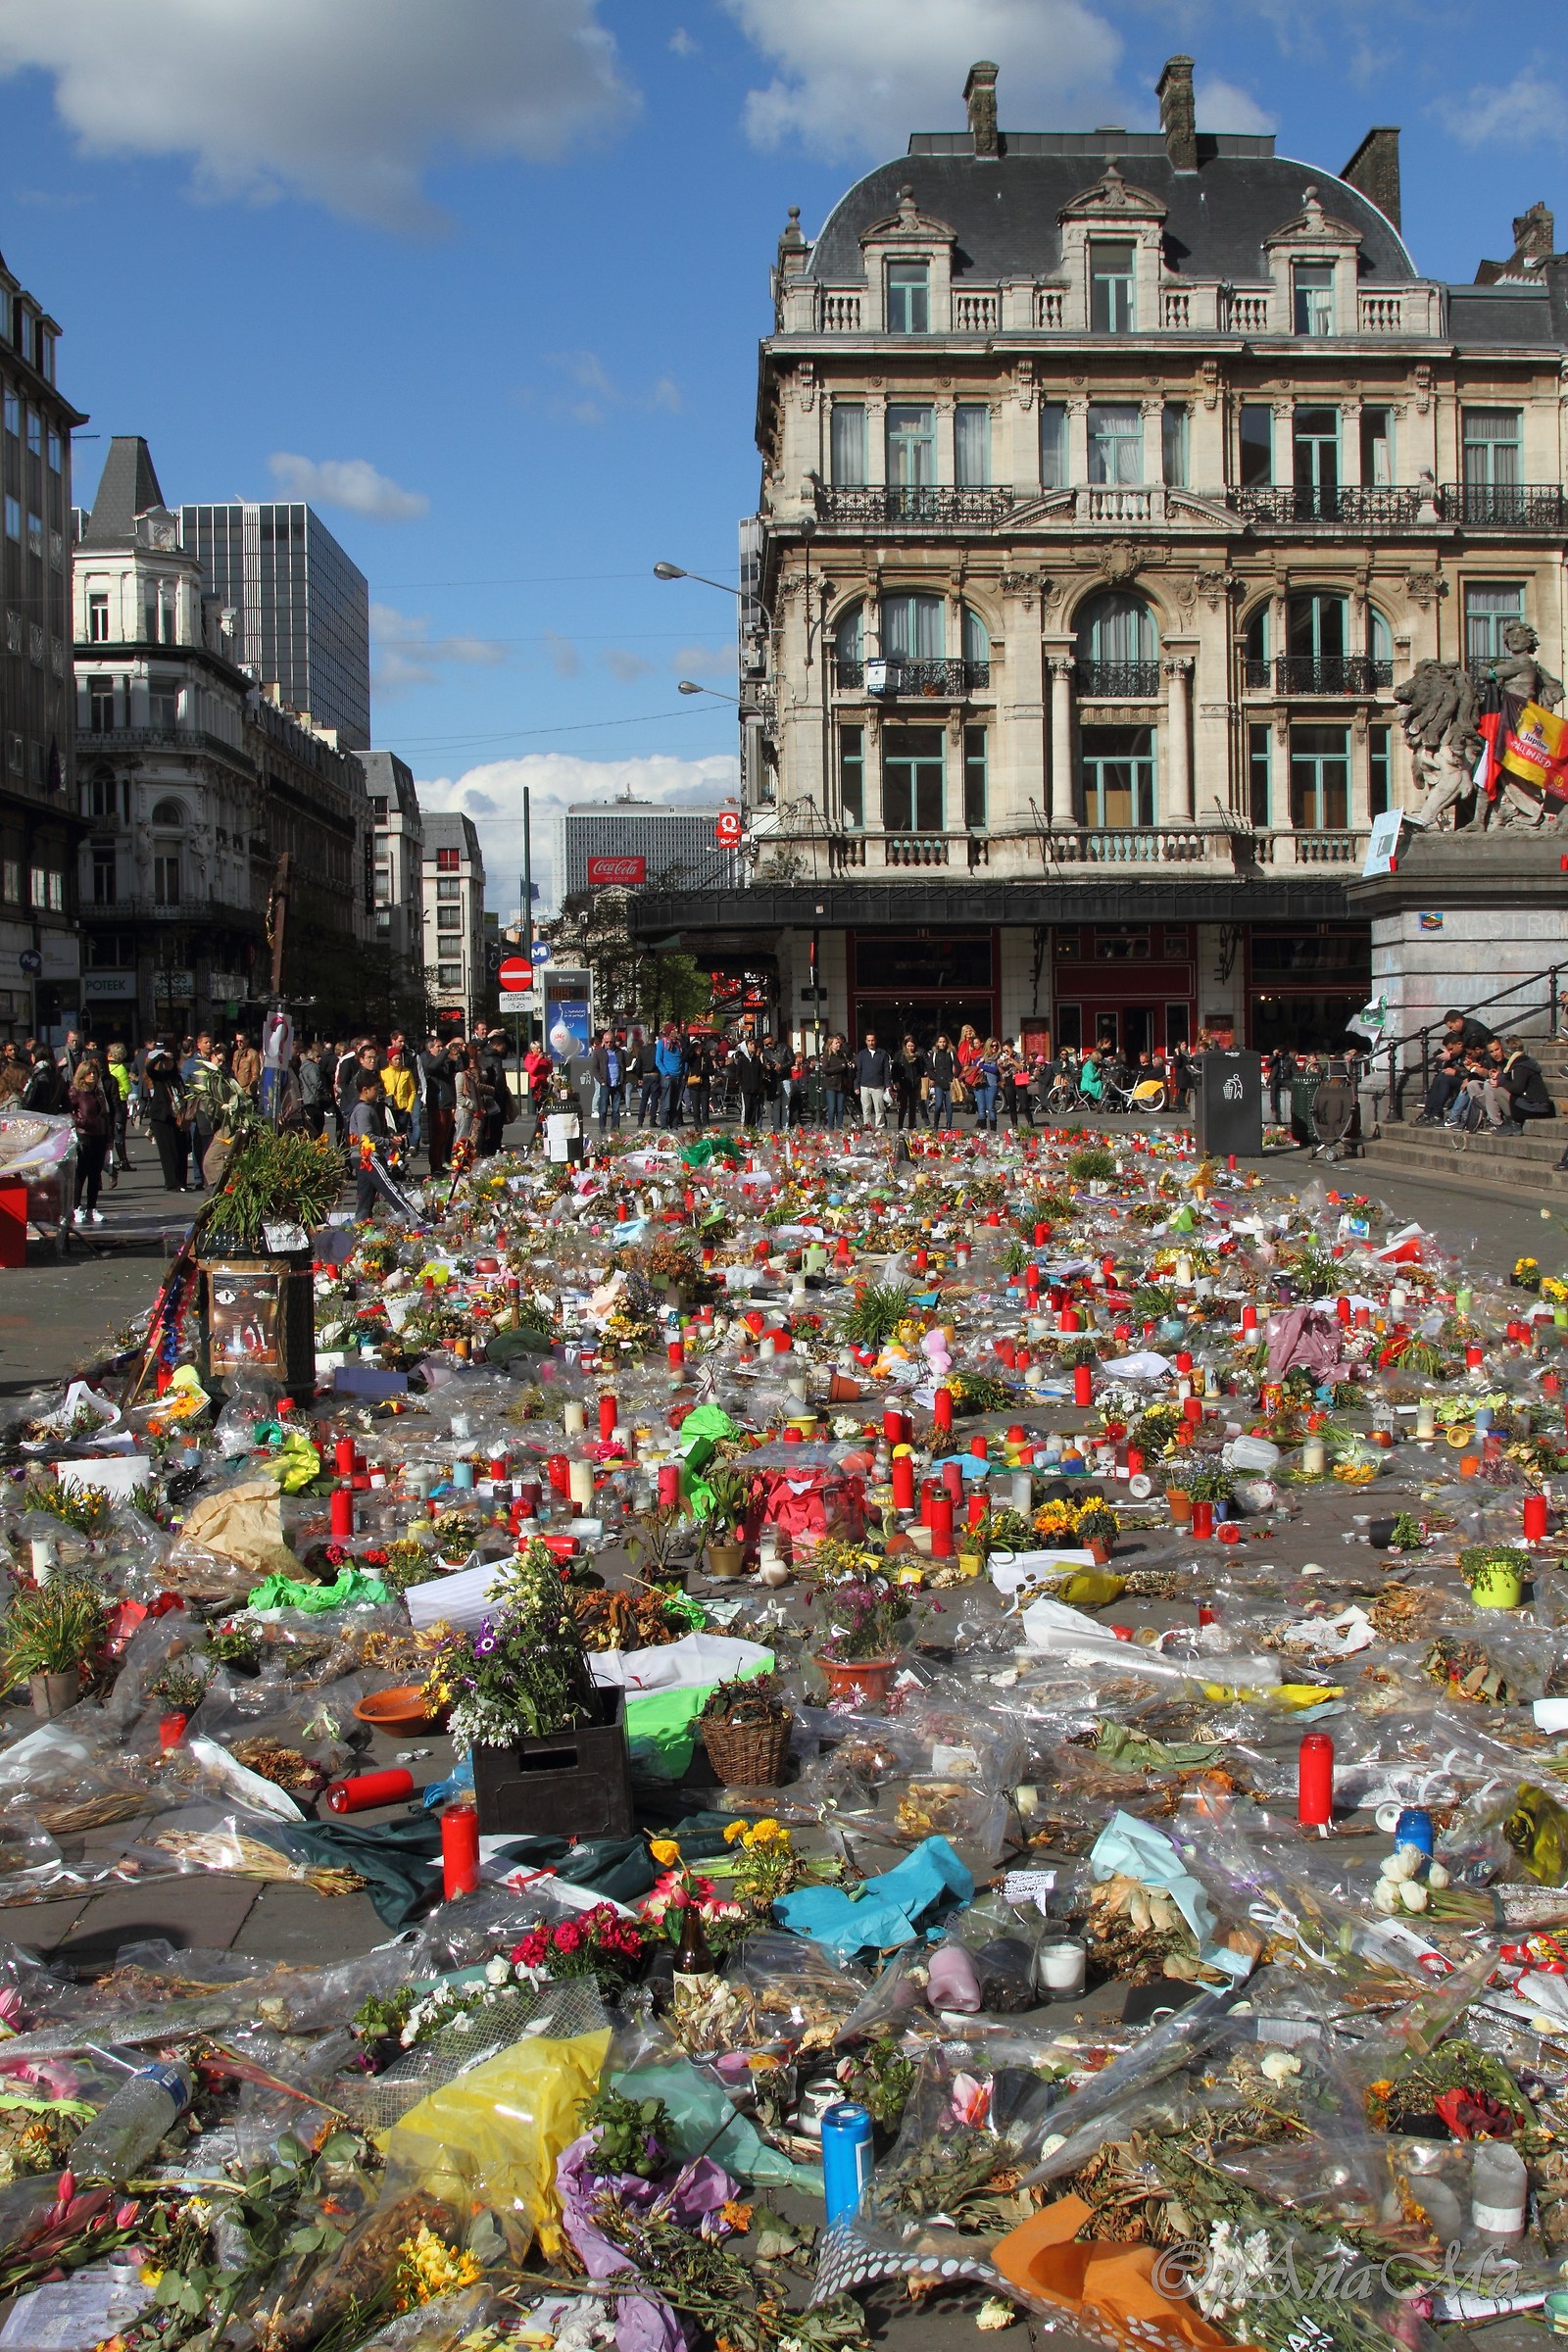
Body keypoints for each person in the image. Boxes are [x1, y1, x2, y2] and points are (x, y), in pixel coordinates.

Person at [69, 1057, 111, 1224]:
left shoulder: (98, 1092)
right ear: (82, 1075)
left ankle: (92, 1208)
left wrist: (109, 1137)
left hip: (99, 1134)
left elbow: (106, 1115)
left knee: (95, 1174)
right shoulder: (76, 1092)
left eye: (95, 1073)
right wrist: (79, 1121)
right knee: (81, 1173)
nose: (93, 1076)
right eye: (89, 1073)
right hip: (83, 1134)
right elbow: (68, 1111)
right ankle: (76, 1207)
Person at [348, 1074, 396, 1221]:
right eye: (375, 1089)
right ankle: (412, 1216)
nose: (378, 1092)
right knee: (390, 1189)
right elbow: (367, 1137)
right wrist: (389, 1142)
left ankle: (361, 1222)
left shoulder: (364, 1108)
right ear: (365, 1090)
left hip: (360, 1156)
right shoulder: (363, 1110)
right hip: (368, 1156)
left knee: (366, 1195)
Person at [143, 1044, 190, 1192]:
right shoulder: (159, 1077)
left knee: (181, 1150)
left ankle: (182, 1181)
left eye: (171, 1061)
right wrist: (161, 1056)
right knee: (168, 1152)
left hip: (178, 1117)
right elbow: (149, 1068)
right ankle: (172, 1182)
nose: (168, 1064)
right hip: (162, 1117)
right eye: (166, 1062)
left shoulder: (177, 1078)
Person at [422, 1036, 457, 1173]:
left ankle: (441, 1162)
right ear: (430, 1048)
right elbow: (431, 1068)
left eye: (442, 1047)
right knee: (437, 1135)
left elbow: (460, 1067)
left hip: (448, 1101)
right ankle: (434, 1164)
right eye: (438, 1047)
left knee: (445, 1135)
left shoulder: (445, 1060)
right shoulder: (426, 1058)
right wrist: (445, 1052)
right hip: (437, 1102)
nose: (441, 1049)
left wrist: (463, 1054)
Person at [105, 1043, 133, 1179]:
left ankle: (112, 1162)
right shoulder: (120, 1068)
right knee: (120, 1132)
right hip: (120, 1100)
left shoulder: (106, 1067)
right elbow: (127, 1088)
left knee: (111, 1131)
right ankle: (123, 1161)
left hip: (108, 1101)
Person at [590, 1030, 626, 1138]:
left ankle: (615, 1129)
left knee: (616, 1109)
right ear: (603, 1041)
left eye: (611, 1042)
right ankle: (602, 1129)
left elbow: (623, 1067)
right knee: (603, 1108)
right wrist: (601, 1081)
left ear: (614, 1041)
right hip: (605, 1084)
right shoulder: (598, 1053)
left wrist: (622, 1080)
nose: (609, 1044)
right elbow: (594, 1069)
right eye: (606, 1042)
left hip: (617, 1083)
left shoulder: (619, 1052)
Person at [380, 1044, 416, 1147]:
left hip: (403, 1108)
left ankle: (401, 1155)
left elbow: (412, 1091)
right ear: (390, 1060)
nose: (398, 1061)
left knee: (402, 1133)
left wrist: (409, 1108)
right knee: (391, 1133)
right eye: (395, 1059)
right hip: (389, 1108)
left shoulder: (407, 1072)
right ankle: (392, 1156)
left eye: (399, 1059)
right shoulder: (383, 1073)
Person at [856, 1031, 891, 1129]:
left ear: (876, 1041)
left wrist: (888, 1085)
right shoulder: (862, 1054)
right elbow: (858, 1071)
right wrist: (856, 1086)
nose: (871, 1042)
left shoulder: (882, 1053)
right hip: (864, 1085)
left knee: (879, 1109)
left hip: (878, 1085)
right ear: (866, 1041)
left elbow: (886, 1070)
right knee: (866, 1109)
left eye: (873, 1040)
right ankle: (867, 1127)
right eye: (869, 1040)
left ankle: (880, 1128)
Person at [732, 1035, 767, 1130]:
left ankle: (752, 1128)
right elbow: (738, 1074)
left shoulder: (756, 1060)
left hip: (755, 1088)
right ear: (746, 1047)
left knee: (754, 1109)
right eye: (751, 1044)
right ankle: (746, 1127)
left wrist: (758, 1084)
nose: (753, 1046)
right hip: (746, 1089)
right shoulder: (742, 1060)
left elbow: (760, 1073)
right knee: (747, 1108)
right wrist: (743, 1085)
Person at [893, 1035, 927, 1132]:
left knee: (913, 1107)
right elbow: (894, 1069)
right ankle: (900, 1126)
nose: (910, 1048)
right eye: (908, 1046)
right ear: (905, 1046)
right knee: (903, 1106)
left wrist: (920, 1077)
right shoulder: (900, 1055)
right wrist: (895, 1081)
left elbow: (921, 1069)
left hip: (914, 1084)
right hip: (903, 1083)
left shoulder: (918, 1056)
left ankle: (911, 1127)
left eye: (912, 1046)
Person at [656, 1024, 686, 1129]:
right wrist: (666, 1074)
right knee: (666, 1104)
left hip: (678, 1077)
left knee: (676, 1104)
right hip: (667, 1077)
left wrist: (683, 1073)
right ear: (669, 1031)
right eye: (674, 1029)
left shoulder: (679, 1044)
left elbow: (682, 1059)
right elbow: (658, 1060)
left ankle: (674, 1126)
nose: (676, 1030)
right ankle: (664, 1127)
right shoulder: (662, 1043)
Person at [818, 1033, 851, 1130]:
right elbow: (825, 1069)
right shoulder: (827, 1055)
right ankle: (831, 1128)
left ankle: (839, 1126)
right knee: (831, 1108)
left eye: (839, 1043)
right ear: (831, 1044)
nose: (838, 1045)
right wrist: (840, 1067)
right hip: (831, 1085)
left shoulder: (842, 1055)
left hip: (841, 1084)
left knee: (840, 1108)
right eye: (836, 1043)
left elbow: (846, 1066)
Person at [297, 1044, 328, 1139]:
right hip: (313, 1100)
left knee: (310, 1128)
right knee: (316, 1129)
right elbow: (316, 1083)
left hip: (306, 1100)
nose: (320, 1059)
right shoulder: (312, 1067)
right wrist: (325, 1092)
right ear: (313, 1057)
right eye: (318, 1057)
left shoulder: (303, 1067)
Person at [927, 1034, 956, 1131]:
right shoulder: (934, 1054)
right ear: (937, 1043)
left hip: (949, 1082)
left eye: (944, 1042)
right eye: (940, 1042)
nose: (942, 1044)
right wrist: (934, 1077)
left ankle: (949, 1125)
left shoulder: (951, 1053)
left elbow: (958, 1066)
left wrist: (954, 1077)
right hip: (939, 1083)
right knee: (938, 1104)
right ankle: (936, 1125)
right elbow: (930, 1068)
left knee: (949, 1106)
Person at [684, 1031, 711, 1131]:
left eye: (699, 1048)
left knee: (705, 1108)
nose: (698, 1050)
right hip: (694, 1085)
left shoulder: (706, 1057)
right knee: (696, 1108)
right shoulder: (692, 1057)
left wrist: (702, 1072)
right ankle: (697, 1124)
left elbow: (712, 1071)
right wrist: (691, 1047)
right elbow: (684, 1057)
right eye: (696, 1048)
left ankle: (706, 1125)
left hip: (704, 1085)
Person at [22, 1047, 63, 1112]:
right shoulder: (57, 1075)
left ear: (35, 1056)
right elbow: (66, 1103)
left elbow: (31, 1099)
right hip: (53, 1115)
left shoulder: (39, 1075)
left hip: (38, 1115)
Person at [231, 1031, 261, 1096]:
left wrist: (249, 1090)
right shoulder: (236, 1054)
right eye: (237, 1041)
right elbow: (233, 1071)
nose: (239, 1043)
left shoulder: (253, 1054)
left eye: (241, 1041)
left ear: (247, 1041)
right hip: (235, 1089)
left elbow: (255, 1075)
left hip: (245, 1090)